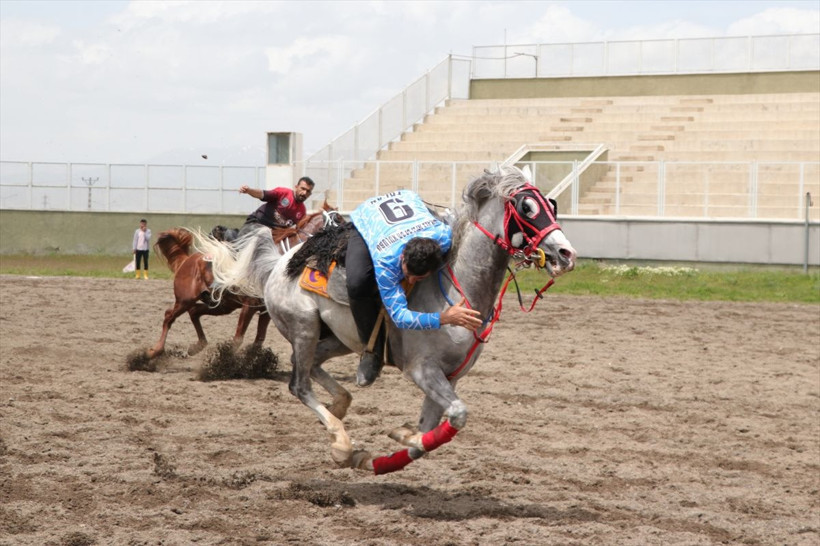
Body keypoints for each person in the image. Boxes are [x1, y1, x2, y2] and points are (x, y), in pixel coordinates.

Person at [347, 189, 483, 387]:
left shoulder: (444, 237)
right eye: (407, 274)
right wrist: (444, 318)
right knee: (357, 283)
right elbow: (400, 317)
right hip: (368, 215)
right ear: (402, 257)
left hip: (407, 205)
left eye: (418, 278)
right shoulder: (387, 262)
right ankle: (372, 352)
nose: (409, 281)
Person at [237, 176, 315, 237]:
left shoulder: (302, 211)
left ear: (310, 194)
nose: (304, 193)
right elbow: (262, 194)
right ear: (296, 187)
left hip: (273, 236)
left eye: (308, 191)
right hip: (257, 223)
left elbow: (300, 231)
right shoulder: (283, 193)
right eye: (303, 189)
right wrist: (249, 190)